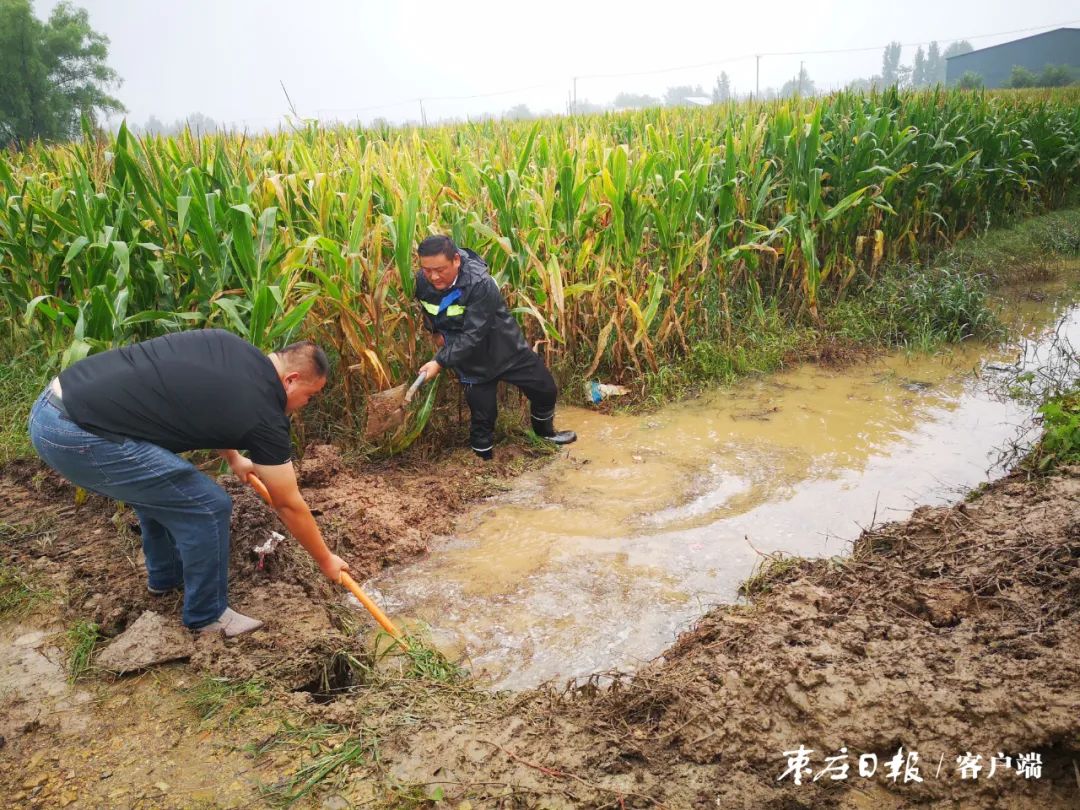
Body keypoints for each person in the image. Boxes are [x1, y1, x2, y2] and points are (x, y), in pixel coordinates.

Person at [27, 329, 349, 637]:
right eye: (310, 396)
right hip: (76, 435)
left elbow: (209, 404)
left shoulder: (229, 346)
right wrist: (325, 560)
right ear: (291, 381)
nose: (307, 404)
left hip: (54, 406)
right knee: (207, 506)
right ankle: (206, 615)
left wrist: (234, 458)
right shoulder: (265, 413)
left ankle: (166, 578)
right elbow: (287, 503)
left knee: (163, 490)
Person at [414, 235, 576, 460]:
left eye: (440, 269)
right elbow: (428, 309)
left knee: (545, 389)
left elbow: (473, 334)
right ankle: (483, 461)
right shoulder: (422, 282)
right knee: (483, 416)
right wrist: (435, 332)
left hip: (505, 349)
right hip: (470, 360)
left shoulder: (480, 284)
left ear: (457, 261)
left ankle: (545, 434)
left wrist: (439, 362)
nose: (433, 276)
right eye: (426, 270)